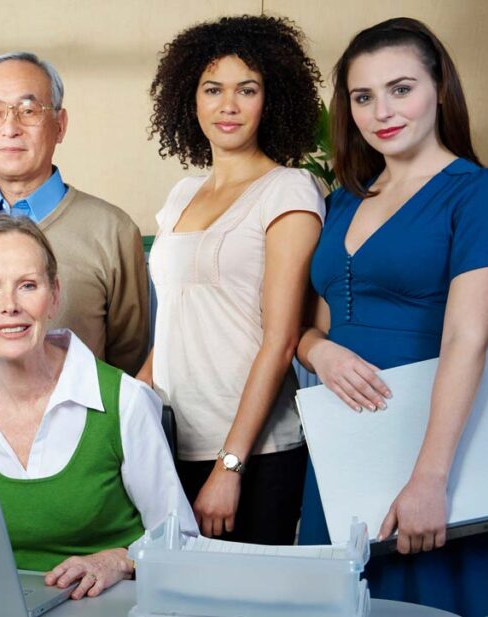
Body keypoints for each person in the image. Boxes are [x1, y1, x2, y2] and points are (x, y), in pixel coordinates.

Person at [295, 17, 488, 616]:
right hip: (342, 446)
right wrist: (316, 350)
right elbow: (315, 326)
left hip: (429, 447)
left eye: (401, 88)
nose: (382, 111)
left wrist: (431, 478)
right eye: (363, 96)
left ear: (440, 90)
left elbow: (465, 340)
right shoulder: (345, 198)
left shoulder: (480, 193)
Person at [0, 216, 195, 600]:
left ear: (55, 296)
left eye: (28, 286)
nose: (9, 306)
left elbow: (181, 538)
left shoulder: (124, 401)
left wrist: (120, 560)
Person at [140, 15, 324, 544]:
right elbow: (172, 325)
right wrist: (131, 411)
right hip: (171, 441)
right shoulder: (179, 197)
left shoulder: (289, 190)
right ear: (189, 99)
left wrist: (231, 464)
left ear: (272, 99)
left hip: (256, 453)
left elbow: (281, 337)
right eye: (213, 89)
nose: (228, 105)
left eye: (247, 90)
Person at [0, 51, 149, 383]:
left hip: (75, 433)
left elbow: (126, 357)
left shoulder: (112, 229)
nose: (10, 128)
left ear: (59, 125)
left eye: (29, 111)